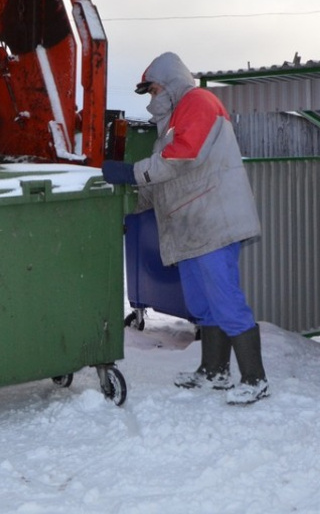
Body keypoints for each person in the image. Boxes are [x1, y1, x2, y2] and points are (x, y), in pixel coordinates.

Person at [101, 52, 268, 404]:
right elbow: (163, 183)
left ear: (172, 83)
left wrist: (130, 172)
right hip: (193, 230)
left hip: (214, 223)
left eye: (154, 90)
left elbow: (181, 157)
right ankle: (215, 371)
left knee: (225, 301)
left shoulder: (199, 102)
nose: (152, 99)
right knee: (201, 304)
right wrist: (125, 208)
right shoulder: (173, 122)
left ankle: (254, 378)